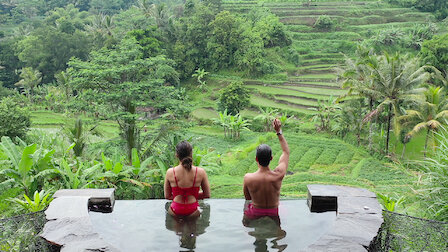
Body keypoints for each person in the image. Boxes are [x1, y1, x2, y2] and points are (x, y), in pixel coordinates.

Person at [243, 118, 290, 219]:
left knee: (247, 225)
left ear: (256, 159)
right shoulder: (278, 175)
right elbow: (286, 152)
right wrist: (278, 131)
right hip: (274, 212)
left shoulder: (248, 178)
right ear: (271, 158)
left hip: (255, 212)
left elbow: (248, 198)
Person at [164, 141, 210, 218]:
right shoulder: (201, 172)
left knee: (176, 230)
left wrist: (179, 195)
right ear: (191, 154)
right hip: (193, 209)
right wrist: (192, 195)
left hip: (175, 209)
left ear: (176, 155)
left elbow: (167, 196)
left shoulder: (170, 172)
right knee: (193, 230)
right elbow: (207, 195)